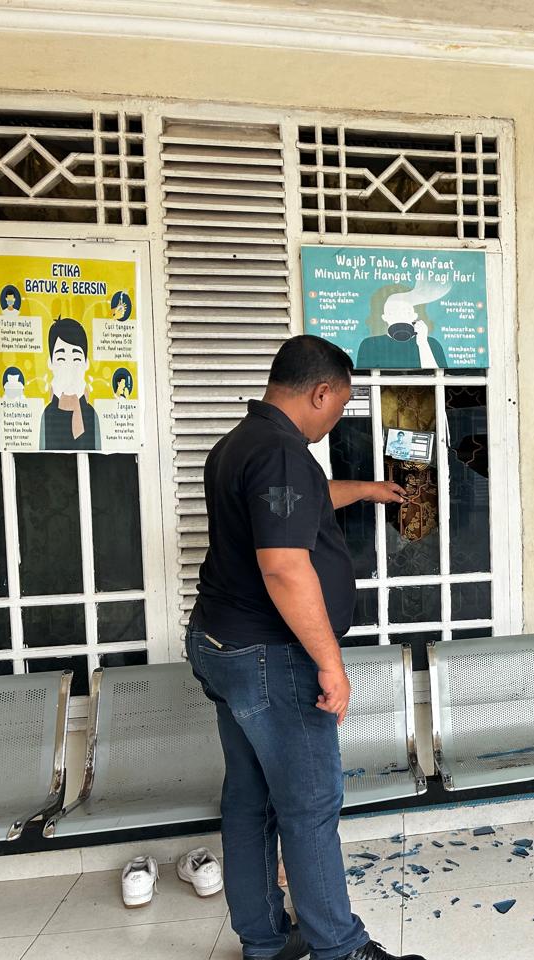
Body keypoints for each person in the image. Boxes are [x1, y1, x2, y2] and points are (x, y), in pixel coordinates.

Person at [188, 335, 424, 960]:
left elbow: (297, 504)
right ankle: (338, 949)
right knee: (310, 803)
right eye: (339, 407)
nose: (335, 420)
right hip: (271, 657)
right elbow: (285, 567)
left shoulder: (240, 444)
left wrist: (367, 489)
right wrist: (330, 663)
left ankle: (265, 944)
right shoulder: (283, 453)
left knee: (250, 800)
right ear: (321, 392)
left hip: (224, 646)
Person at [39, 317, 100, 451]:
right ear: (50, 363)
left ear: (86, 363)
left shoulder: (91, 414)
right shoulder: (47, 414)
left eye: (76, 359)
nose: (69, 367)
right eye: (61, 359)